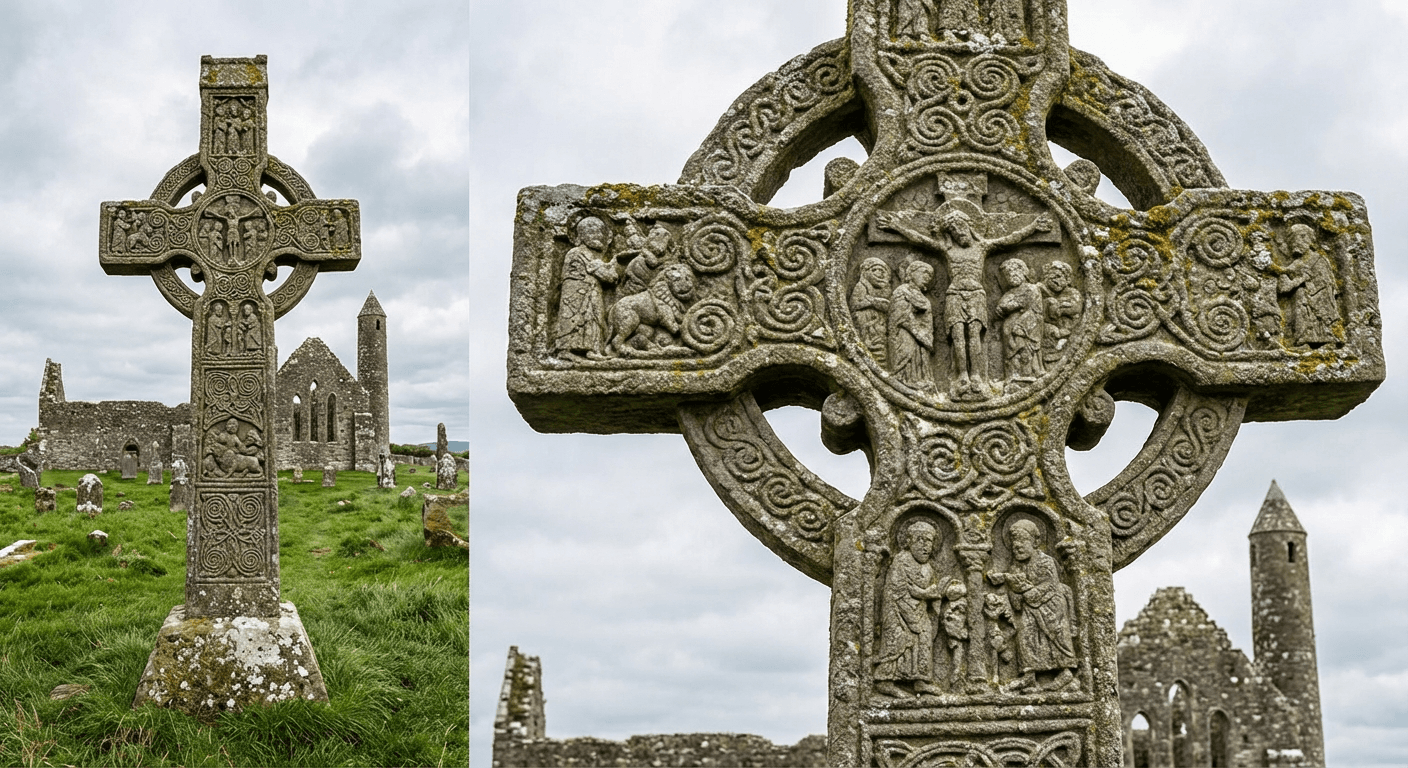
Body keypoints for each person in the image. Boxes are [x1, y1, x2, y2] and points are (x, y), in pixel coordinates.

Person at [879, 204, 1053, 398]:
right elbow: (922, 241)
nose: (958, 233)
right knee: (957, 336)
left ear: (969, 225)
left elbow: (1011, 239)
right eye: (952, 231)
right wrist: (897, 227)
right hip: (954, 294)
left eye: (960, 227)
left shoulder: (983, 246)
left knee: (974, 335)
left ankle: (976, 376)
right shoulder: (947, 249)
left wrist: (1034, 227)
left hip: (977, 294)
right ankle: (961, 376)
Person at [988, 519, 1077, 692]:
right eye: (1014, 543)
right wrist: (1015, 592)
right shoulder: (1015, 567)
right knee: (1025, 635)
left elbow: (1050, 586)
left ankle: (1065, 672)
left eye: (1022, 541)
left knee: (1056, 635)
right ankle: (1029, 676)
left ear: (1035, 542)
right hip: (1029, 611)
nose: (1017, 546)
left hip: (1052, 607)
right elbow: (1016, 600)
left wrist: (1024, 589)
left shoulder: (1046, 562)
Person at [874, 519, 945, 697]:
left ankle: (920, 680)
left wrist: (929, 595)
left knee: (925, 637)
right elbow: (896, 590)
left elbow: (927, 592)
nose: (925, 546)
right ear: (909, 542)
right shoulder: (900, 561)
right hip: (897, 612)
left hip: (919, 612)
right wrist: (925, 594)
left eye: (929, 541)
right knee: (897, 642)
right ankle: (885, 681)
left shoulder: (928, 568)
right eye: (920, 540)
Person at [553, 217, 622, 358]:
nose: (597, 235)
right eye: (591, 232)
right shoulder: (577, 252)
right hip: (575, 294)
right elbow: (603, 274)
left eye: (599, 232)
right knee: (575, 319)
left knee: (595, 319)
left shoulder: (592, 255)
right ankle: (566, 350)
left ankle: (593, 350)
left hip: (592, 290)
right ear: (581, 236)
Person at [1273, 223, 1341, 347]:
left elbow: (1328, 283)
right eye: (1292, 241)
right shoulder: (1297, 263)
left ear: (1308, 240)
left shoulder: (1319, 259)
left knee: (1305, 298)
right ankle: (1302, 338)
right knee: (1300, 295)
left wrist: (1310, 287)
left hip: (1320, 298)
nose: (1295, 244)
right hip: (1303, 301)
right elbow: (1284, 284)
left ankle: (1325, 339)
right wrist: (1298, 280)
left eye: (1299, 239)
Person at [887, 261, 936, 389]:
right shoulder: (902, 291)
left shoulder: (922, 297)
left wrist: (924, 336)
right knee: (907, 359)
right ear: (912, 273)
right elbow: (901, 317)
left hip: (922, 339)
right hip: (905, 335)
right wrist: (920, 335)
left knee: (920, 361)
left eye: (930, 276)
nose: (927, 278)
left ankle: (919, 381)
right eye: (924, 272)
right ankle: (905, 381)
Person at [995, 258, 1043, 382]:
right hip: (1009, 331)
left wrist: (1020, 325)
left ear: (1023, 272)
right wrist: (1000, 310)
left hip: (1026, 328)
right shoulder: (1008, 293)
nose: (1011, 276)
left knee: (1025, 352)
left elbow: (1034, 309)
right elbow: (1000, 308)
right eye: (1008, 274)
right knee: (1011, 356)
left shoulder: (1031, 289)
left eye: (1015, 271)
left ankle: (1027, 375)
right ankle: (1012, 376)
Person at [850, 257, 892, 367]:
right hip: (866, 325)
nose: (880, 274)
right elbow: (854, 305)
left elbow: (887, 306)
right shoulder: (861, 286)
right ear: (866, 271)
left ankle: (880, 368)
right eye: (876, 270)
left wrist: (875, 302)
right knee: (871, 348)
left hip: (878, 326)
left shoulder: (879, 290)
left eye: (883, 271)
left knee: (880, 348)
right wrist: (873, 302)